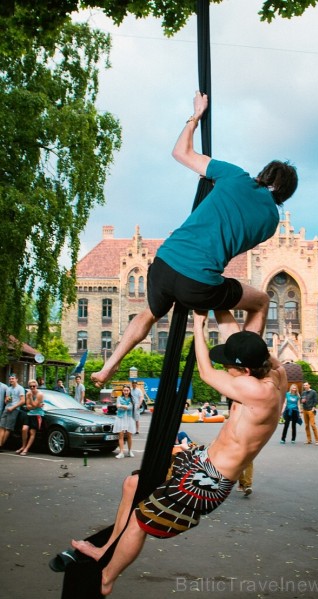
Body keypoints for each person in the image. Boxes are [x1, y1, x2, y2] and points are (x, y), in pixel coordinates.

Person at [71, 311, 287, 596]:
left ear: (245, 371)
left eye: (230, 366)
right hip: (201, 459)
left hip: (208, 480)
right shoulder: (276, 374)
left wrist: (197, 324)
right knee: (133, 484)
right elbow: (246, 344)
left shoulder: (257, 391)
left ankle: (106, 579)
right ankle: (106, 550)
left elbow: (206, 372)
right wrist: (218, 306)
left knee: (140, 520)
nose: (226, 369)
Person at [91, 91, 298, 388]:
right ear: (285, 194)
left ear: (264, 174)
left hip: (164, 263)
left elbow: (180, 153)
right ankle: (245, 366)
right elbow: (233, 243)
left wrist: (196, 116)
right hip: (198, 283)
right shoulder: (270, 223)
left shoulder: (235, 176)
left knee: (150, 313)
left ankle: (109, 366)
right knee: (259, 301)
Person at [15, 379, 45, 456]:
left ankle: (26, 449)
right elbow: (28, 407)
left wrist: (31, 399)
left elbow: (34, 405)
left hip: (37, 414)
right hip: (29, 414)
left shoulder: (39, 394)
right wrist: (36, 405)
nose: (32, 387)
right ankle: (23, 446)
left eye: (33, 386)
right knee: (24, 429)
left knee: (32, 432)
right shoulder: (28, 393)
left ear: (36, 386)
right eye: (30, 386)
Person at [0, 374, 25, 451]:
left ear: (16, 379)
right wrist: (7, 400)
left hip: (14, 409)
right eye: (10, 379)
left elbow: (23, 401)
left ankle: (1, 445)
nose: (11, 380)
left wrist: (13, 407)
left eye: (12, 379)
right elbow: (6, 400)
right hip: (7, 408)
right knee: (1, 426)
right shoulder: (8, 389)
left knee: (8, 428)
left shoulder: (20, 388)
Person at [113, 385, 135, 459]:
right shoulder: (119, 398)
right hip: (121, 417)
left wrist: (121, 405)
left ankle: (129, 451)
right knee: (121, 435)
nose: (126, 392)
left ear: (129, 391)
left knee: (129, 435)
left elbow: (130, 407)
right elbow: (117, 406)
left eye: (127, 390)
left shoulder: (132, 399)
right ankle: (121, 452)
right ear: (122, 391)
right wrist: (125, 406)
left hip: (129, 418)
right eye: (124, 390)